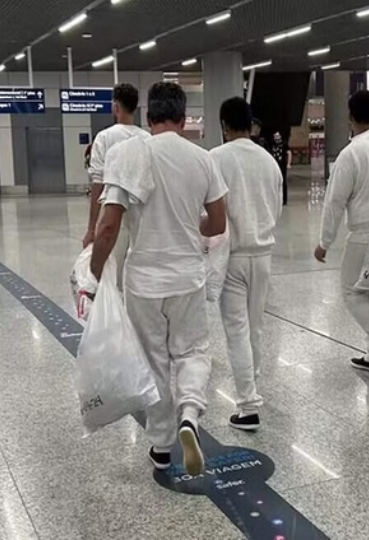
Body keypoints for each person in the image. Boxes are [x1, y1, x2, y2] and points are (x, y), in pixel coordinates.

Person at [90, 82, 228, 476]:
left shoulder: (128, 154)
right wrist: (190, 224)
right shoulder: (202, 159)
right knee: (192, 352)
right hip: (187, 276)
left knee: (154, 360)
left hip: (143, 280)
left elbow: (108, 227)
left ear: (149, 118)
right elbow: (218, 223)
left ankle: (161, 446)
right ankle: (190, 415)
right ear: (184, 119)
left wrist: (95, 272)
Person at [314, 90, 369, 377]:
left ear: (350, 116)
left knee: (351, 291)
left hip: (363, 235)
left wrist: (324, 241)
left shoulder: (350, 153)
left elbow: (335, 202)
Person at [210, 97, 283, 431]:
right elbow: (276, 209)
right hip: (263, 256)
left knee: (237, 330)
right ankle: (251, 386)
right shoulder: (269, 161)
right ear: (250, 124)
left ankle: (248, 404)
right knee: (255, 327)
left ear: (224, 126)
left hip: (232, 256)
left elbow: (209, 210)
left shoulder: (216, 158)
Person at [83, 83, 151, 290]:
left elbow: (98, 183)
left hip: (113, 213)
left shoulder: (104, 137)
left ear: (115, 107)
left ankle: (116, 307)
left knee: (113, 277)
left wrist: (91, 228)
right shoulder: (147, 138)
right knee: (137, 273)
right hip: (142, 217)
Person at [268, 131, 291, 205]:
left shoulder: (284, 144)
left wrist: (288, 163)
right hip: (275, 165)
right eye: (275, 137)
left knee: (283, 182)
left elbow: (289, 153)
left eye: (278, 136)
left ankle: (284, 200)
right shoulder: (272, 144)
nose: (277, 138)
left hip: (282, 165)